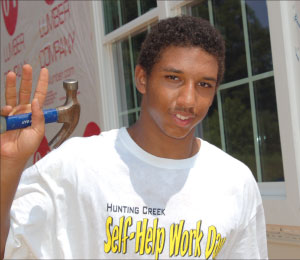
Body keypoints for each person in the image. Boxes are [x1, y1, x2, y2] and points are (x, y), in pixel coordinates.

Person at [1, 16, 268, 259]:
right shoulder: (76, 166)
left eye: (204, 85)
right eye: (173, 78)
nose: (189, 100)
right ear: (142, 78)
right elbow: (8, 247)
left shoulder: (235, 181)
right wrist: (10, 163)